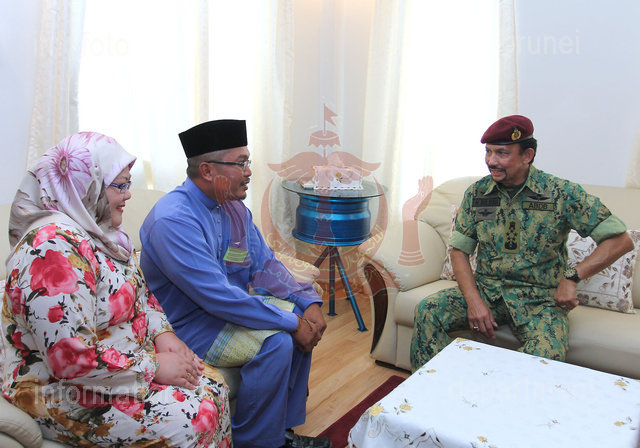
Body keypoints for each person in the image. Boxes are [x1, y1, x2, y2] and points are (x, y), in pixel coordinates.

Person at [2, 132, 232, 447]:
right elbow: (68, 357)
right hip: (56, 386)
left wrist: (164, 336)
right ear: (85, 185)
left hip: (118, 367)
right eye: (120, 185)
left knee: (213, 386)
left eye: (128, 184)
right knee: (192, 416)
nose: (128, 194)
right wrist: (154, 367)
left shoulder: (103, 233)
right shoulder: (51, 247)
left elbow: (141, 296)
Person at [139, 119, 331, 448]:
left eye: (248, 162)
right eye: (240, 163)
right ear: (207, 170)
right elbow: (217, 297)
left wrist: (307, 301)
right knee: (279, 340)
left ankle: (282, 431)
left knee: (303, 319)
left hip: (228, 313)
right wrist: (290, 321)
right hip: (189, 327)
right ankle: (256, 443)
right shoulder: (173, 220)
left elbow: (266, 265)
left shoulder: (234, 209)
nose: (249, 171)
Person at [410, 115, 634, 370]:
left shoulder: (560, 193)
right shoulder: (478, 193)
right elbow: (459, 251)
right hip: (487, 291)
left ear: (527, 155)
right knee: (428, 310)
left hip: (540, 300)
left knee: (547, 353)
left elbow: (620, 241)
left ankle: (495, 389)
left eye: (502, 153)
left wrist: (572, 278)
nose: (491, 161)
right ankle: (432, 387)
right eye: (488, 152)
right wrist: (474, 301)